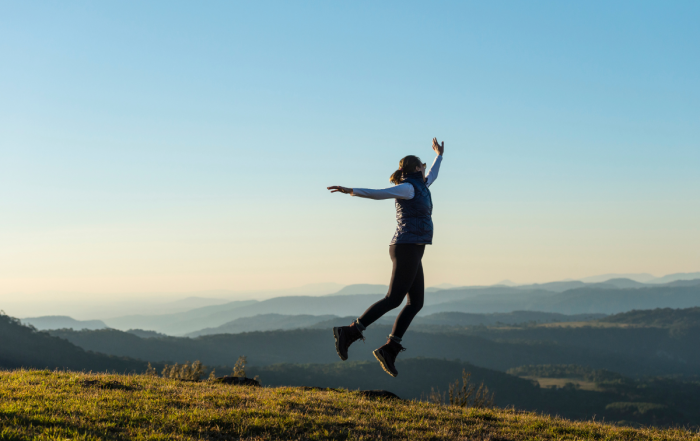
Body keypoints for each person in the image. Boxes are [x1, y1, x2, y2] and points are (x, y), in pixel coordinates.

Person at [327, 137, 445, 377]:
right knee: (394, 298)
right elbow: (379, 194)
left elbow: (433, 174)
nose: (425, 168)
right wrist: (352, 191)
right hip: (405, 247)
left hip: (414, 247)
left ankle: (389, 349)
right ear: (414, 169)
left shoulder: (422, 185)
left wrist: (439, 156)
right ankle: (349, 332)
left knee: (416, 303)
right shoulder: (408, 188)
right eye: (422, 165)